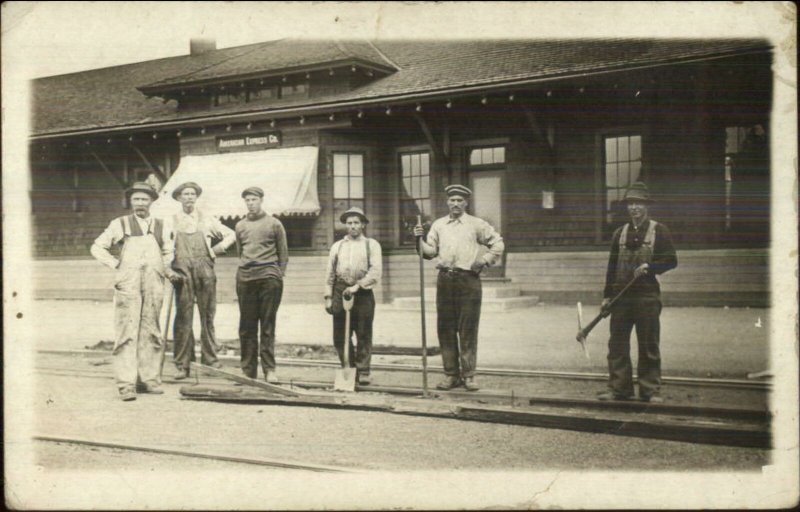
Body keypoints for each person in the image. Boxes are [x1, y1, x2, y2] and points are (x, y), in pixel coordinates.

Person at [90, 181, 180, 401]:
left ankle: (148, 379)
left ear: (152, 202)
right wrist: (116, 264)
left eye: (145, 199)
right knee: (127, 331)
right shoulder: (120, 224)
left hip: (154, 281)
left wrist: (167, 269)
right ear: (130, 202)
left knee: (151, 330)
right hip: (128, 282)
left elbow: (168, 252)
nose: (140, 203)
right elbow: (97, 247)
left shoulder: (162, 225)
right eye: (136, 199)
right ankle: (126, 384)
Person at [413, 184, 505, 391]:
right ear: (447, 202)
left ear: (466, 203)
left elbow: (498, 243)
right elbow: (428, 253)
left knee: (467, 328)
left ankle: (469, 375)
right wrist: (417, 238)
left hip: (468, 281)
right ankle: (451, 375)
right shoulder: (438, 225)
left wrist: (484, 260)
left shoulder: (476, 224)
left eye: (459, 200)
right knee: (445, 329)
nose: (455, 204)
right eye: (452, 200)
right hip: (445, 280)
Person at [597, 182, 677, 403]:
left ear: (646, 206)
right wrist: (606, 297)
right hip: (621, 299)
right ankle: (619, 389)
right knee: (617, 344)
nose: (634, 208)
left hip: (647, 298)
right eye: (631, 203)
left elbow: (671, 260)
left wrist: (651, 268)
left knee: (648, 344)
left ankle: (650, 390)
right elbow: (611, 269)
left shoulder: (659, 230)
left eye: (639, 203)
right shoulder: (619, 234)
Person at [169, 181, 236, 380]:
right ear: (179, 198)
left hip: (205, 270)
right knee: (183, 318)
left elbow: (231, 234)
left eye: (192, 194)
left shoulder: (207, 219)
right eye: (185, 194)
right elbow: (165, 245)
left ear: (196, 197)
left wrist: (215, 251)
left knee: (207, 316)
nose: (189, 197)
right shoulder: (170, 221)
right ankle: (183, 364)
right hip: (182, 272)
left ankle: (211, 362)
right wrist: (169, 265)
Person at [234, 186, 289, 383]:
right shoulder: (240, 226)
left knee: (267, 325)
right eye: (247, 200)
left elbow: (283, 253)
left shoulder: (274, 224)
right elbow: (241, 252)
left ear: (261, 200)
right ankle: (248, 371)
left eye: (254, 199)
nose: (251, 203)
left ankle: (269, 370)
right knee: (247, 326)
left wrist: (277, 275)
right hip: (246, 278)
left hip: (269, 279)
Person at [324, 207, 382, 385]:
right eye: (349, 223)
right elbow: (330, 273)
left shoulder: (371, 244)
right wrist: (328, 296)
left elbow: (375, 271)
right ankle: (347, 367)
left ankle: (363, 370)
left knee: (363, 331)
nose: (353, 226)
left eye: (356, 222)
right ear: (345, 226)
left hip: (363, 292)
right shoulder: (338, 246)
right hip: (340, 290)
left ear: (363, 224)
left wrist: (358, 286)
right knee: (340, 334)